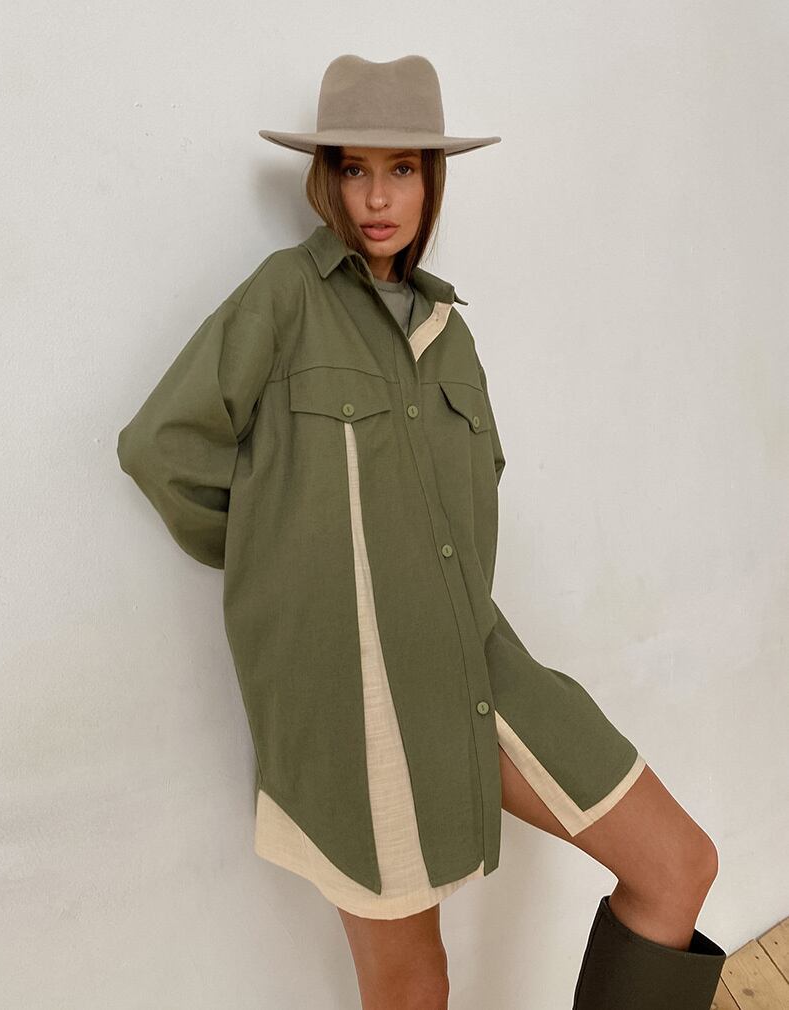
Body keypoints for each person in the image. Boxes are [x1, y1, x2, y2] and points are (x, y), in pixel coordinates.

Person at [117, 54, 727, 1009]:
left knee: (678, 865)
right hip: (355, 692)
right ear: (326, 178)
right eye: (354, 168)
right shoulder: (285, 296)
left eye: (401, 169)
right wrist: (286, 560)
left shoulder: (452, 333)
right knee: (414, 985)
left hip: (475, 659)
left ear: (431, 180)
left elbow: (469, 502)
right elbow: (161, 446)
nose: (376, 197)